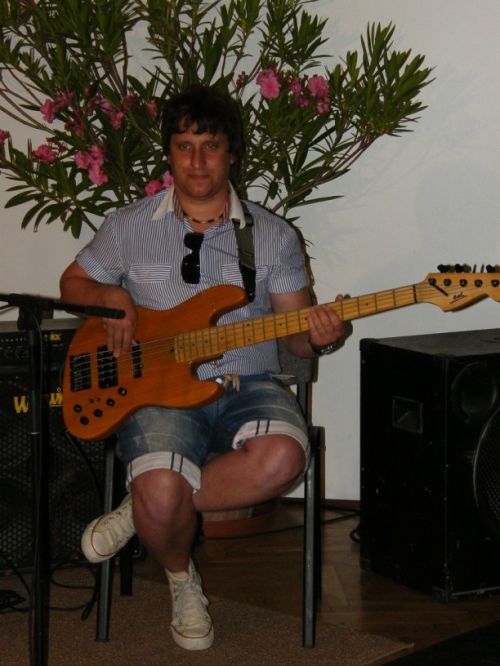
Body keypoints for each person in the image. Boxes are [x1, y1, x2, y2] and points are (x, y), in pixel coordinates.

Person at [60, 85, 345, 651]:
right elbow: (73, 284)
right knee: (162, 493)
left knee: (284, 456)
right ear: (168, 151)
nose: (196, 161)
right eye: (184, 145)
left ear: (231, 153)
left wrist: (320, 336)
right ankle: (180, 576)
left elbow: (295, 336)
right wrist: (110, 298)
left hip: (249, 383)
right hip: (157, 392)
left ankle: (142, 507)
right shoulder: (129, 225)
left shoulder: (271, 235)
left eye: (210, 146)